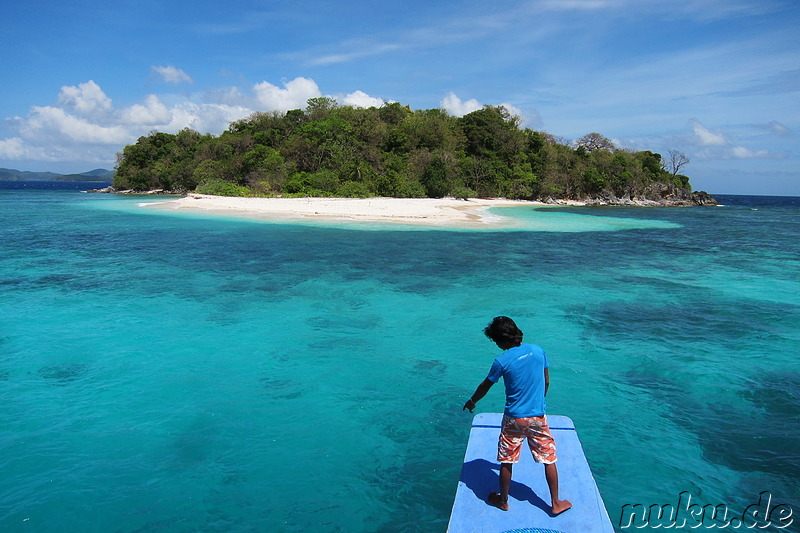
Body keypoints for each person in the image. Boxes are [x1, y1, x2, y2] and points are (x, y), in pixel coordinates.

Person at [463, 316, 572, 515]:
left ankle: (503, 501)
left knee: (507, 460)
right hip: (537, 417)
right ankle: (555, 503)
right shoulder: (539, 351)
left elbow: (484, 386)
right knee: (549, 459)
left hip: (513, 418)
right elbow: (546, 381)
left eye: (496, 341)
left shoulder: (501, 361)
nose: (496, 345)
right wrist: (538, 402)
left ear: (503, 340)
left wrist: (472, 401)